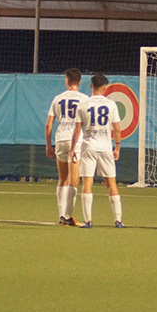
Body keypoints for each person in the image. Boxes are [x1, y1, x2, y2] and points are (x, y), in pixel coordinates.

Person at [71, 73, 124, 228]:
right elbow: (117, 128)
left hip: (89, 146)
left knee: (87, 182)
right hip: (106, 147)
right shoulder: (111, 105)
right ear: (104, 88)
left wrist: (73, 148)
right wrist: (117, 147)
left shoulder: (83, 104)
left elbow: (77, 129)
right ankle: (118, 220)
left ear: (91, 86)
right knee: (111, 183)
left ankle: (88, 220)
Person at [46, 67, 89, 226]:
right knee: (74, 180)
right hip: (75, 141)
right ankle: (67, 216)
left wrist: (48, 145)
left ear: (67, 81)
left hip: (60, 139)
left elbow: (49, 124)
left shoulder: (57, 99)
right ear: (80, 81)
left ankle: (61, 215)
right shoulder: (85, 99)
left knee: (62, 179)